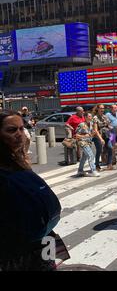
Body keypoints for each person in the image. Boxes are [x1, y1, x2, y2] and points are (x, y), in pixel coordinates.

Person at [0, 111, 61, 271]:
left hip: (44, 239)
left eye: (22, 128)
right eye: (12, 130)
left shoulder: (17, 158)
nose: (20, 134)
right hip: (15, 250)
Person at [75, 112, 100, 177]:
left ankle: (80, 171)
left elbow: (93, 133)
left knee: (84, 157)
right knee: (91, 156)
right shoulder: (81, 125)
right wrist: (84, 136)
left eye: (91, 116)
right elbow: (76, 135)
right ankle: (93, 171)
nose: (90, 118)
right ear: (85, 117)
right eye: (89, 116)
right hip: (83, 142)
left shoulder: (91, 124)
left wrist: (95, 123)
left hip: (88, 142)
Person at [92, 104, 114, 172]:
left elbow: (109, 125)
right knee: (99, 150)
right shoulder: (95, 118)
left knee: (110, 148)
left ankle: (109, 164)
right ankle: (97, 165)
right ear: (97, 109)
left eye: (103, 108)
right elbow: (95, 130)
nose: (102, 110)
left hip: (106, 135)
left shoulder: (105, 117)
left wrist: (113, 135)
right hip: (98, 136)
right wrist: (101, 139)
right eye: (101, 108)